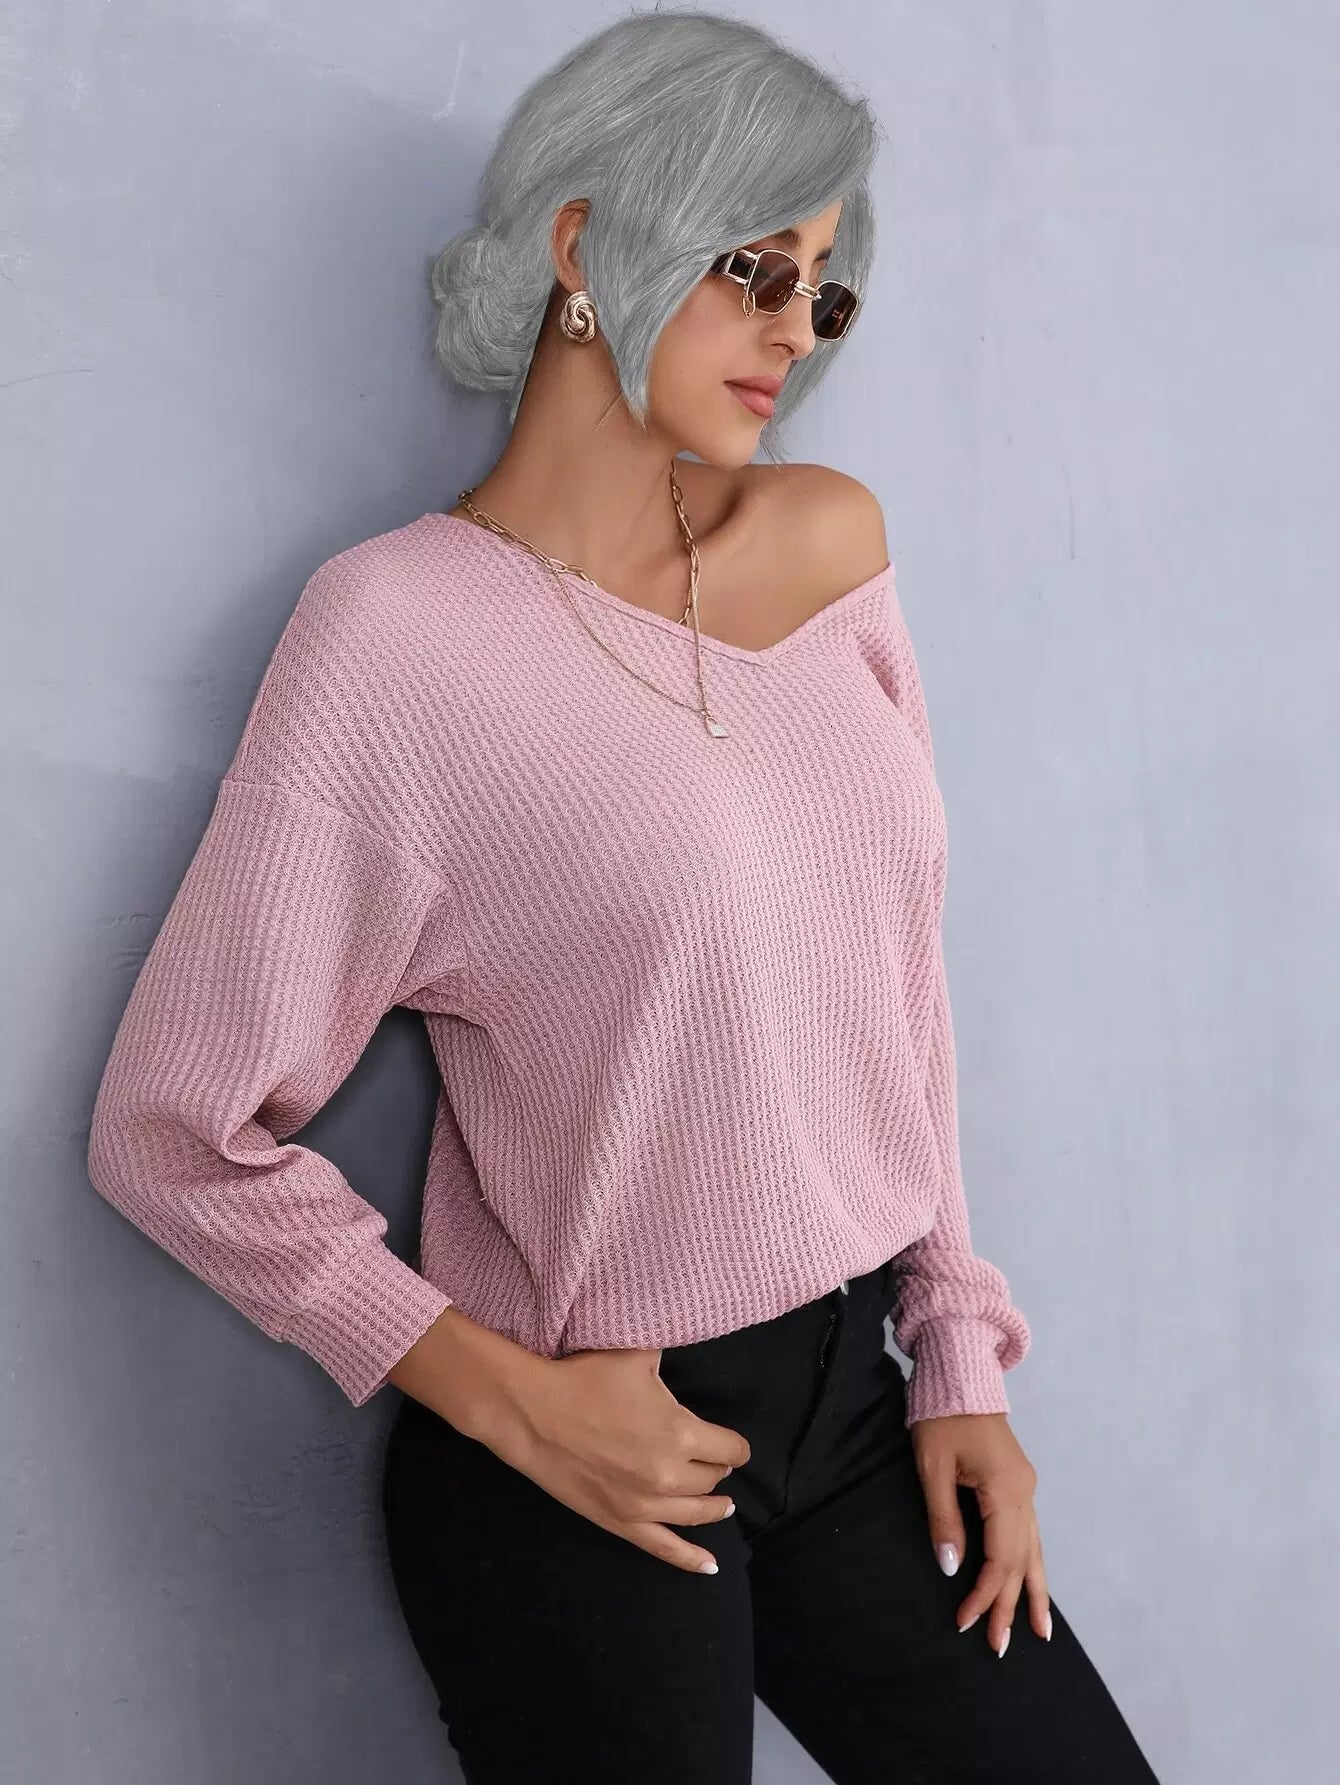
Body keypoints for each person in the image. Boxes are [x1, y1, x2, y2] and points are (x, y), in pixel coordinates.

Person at [87, 11, 1162, 1783]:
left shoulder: (828, 544)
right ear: (586, 243)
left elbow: (895, 979)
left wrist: (958, 1346)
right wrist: (506, 1399)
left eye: (824, 288)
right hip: (581, 1443)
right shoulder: (395, 637)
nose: (795, 329)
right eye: (756, 266)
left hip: (856, 1404)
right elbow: (169, 1125)